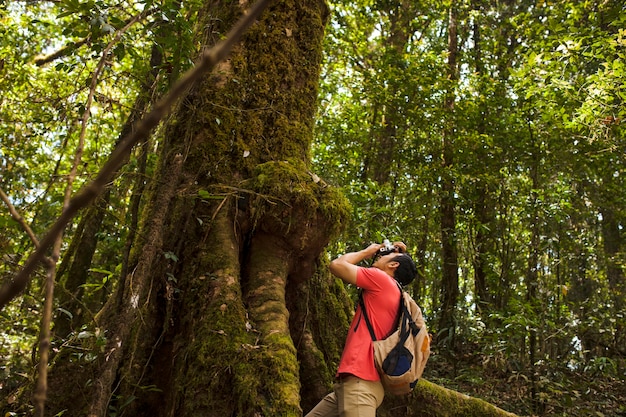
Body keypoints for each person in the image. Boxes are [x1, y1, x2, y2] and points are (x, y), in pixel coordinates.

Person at [305, 241, 418, 417]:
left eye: (385, 255)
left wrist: (367, 251)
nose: (380, 255)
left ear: (393, 264)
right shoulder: (394, 293)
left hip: (360, 384)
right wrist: (399, 254)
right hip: (353, 386)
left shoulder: (382, 280)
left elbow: (337, 265)